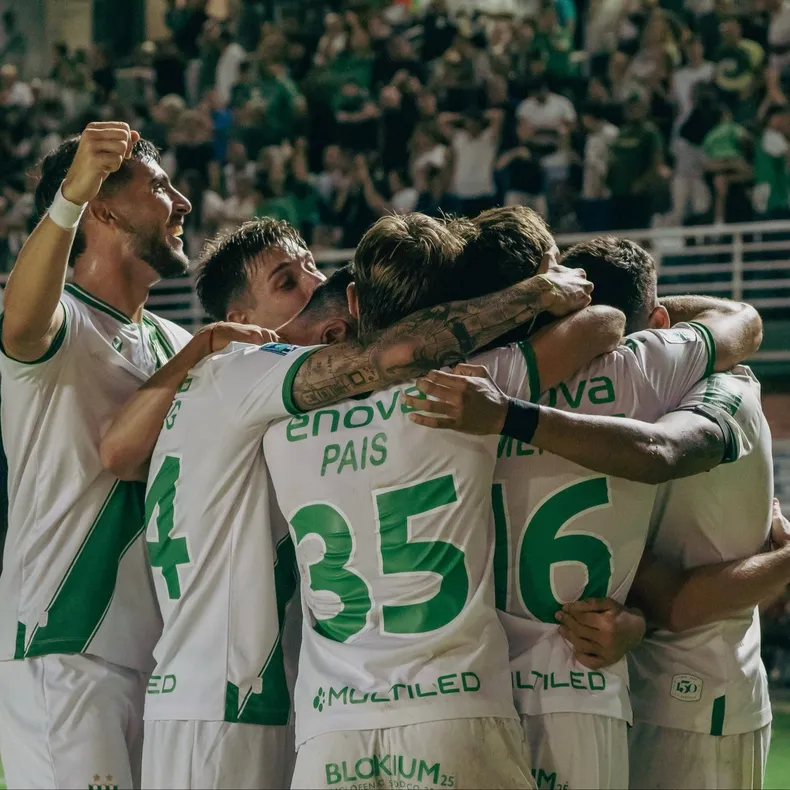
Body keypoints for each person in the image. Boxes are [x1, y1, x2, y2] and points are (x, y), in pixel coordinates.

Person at [100, 215, 598, 790]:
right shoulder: (254, 375)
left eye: (312, 266)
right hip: (236, 698)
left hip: (294, 706)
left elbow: (118, 453)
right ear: (240, 320)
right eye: (288, 282)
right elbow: (403, 352)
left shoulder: (276, 419)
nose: (315, 284)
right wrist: (539, 292)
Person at [263, 212, 624, 790]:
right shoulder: (465, 388)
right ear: (455, 306)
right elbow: (603, 323)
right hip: (453, 709)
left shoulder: (282, 425)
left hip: (331, 729)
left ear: (352, 302)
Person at [401, 232, 762, 790]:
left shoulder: (449, 384)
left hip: (454, 688)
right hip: (583, 683)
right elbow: (740, 320)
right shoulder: (646, 370)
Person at [0, 122, 233, 789]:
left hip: (159, 651)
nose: (182, 203)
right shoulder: (62, 323)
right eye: (159, 187)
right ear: (101, 209)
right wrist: (69, 195)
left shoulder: (174, 340)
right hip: (65, 643)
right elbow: (20, 322)